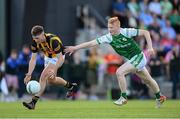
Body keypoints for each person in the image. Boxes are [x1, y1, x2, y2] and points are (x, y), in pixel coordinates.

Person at [65, 17, 166, 108]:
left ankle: (123, 97)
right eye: (109, 27)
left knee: (119, 72)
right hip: (132, 60)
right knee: (148, 80)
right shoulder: (108, 37)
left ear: (118, 26)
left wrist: (150, 47)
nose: (110, 30)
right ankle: (159, 97)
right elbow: (91, 43)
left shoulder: (126, 32)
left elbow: (146, 32)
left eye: (112, 27)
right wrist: (75, 48)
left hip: (139, 56)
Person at [22, 25, 77, 110]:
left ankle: (33, 102)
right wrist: (29, 74)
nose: (36, 40)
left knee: (43, 77)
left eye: (37, 38)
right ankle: (70, 86)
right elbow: (33, 59)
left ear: (43, 34)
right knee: (51, 81)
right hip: (48, 57)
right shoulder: (35, 43)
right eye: (34, 38)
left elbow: (60, 59)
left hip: (58, 57)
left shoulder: (53, 41)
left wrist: (54, 69)